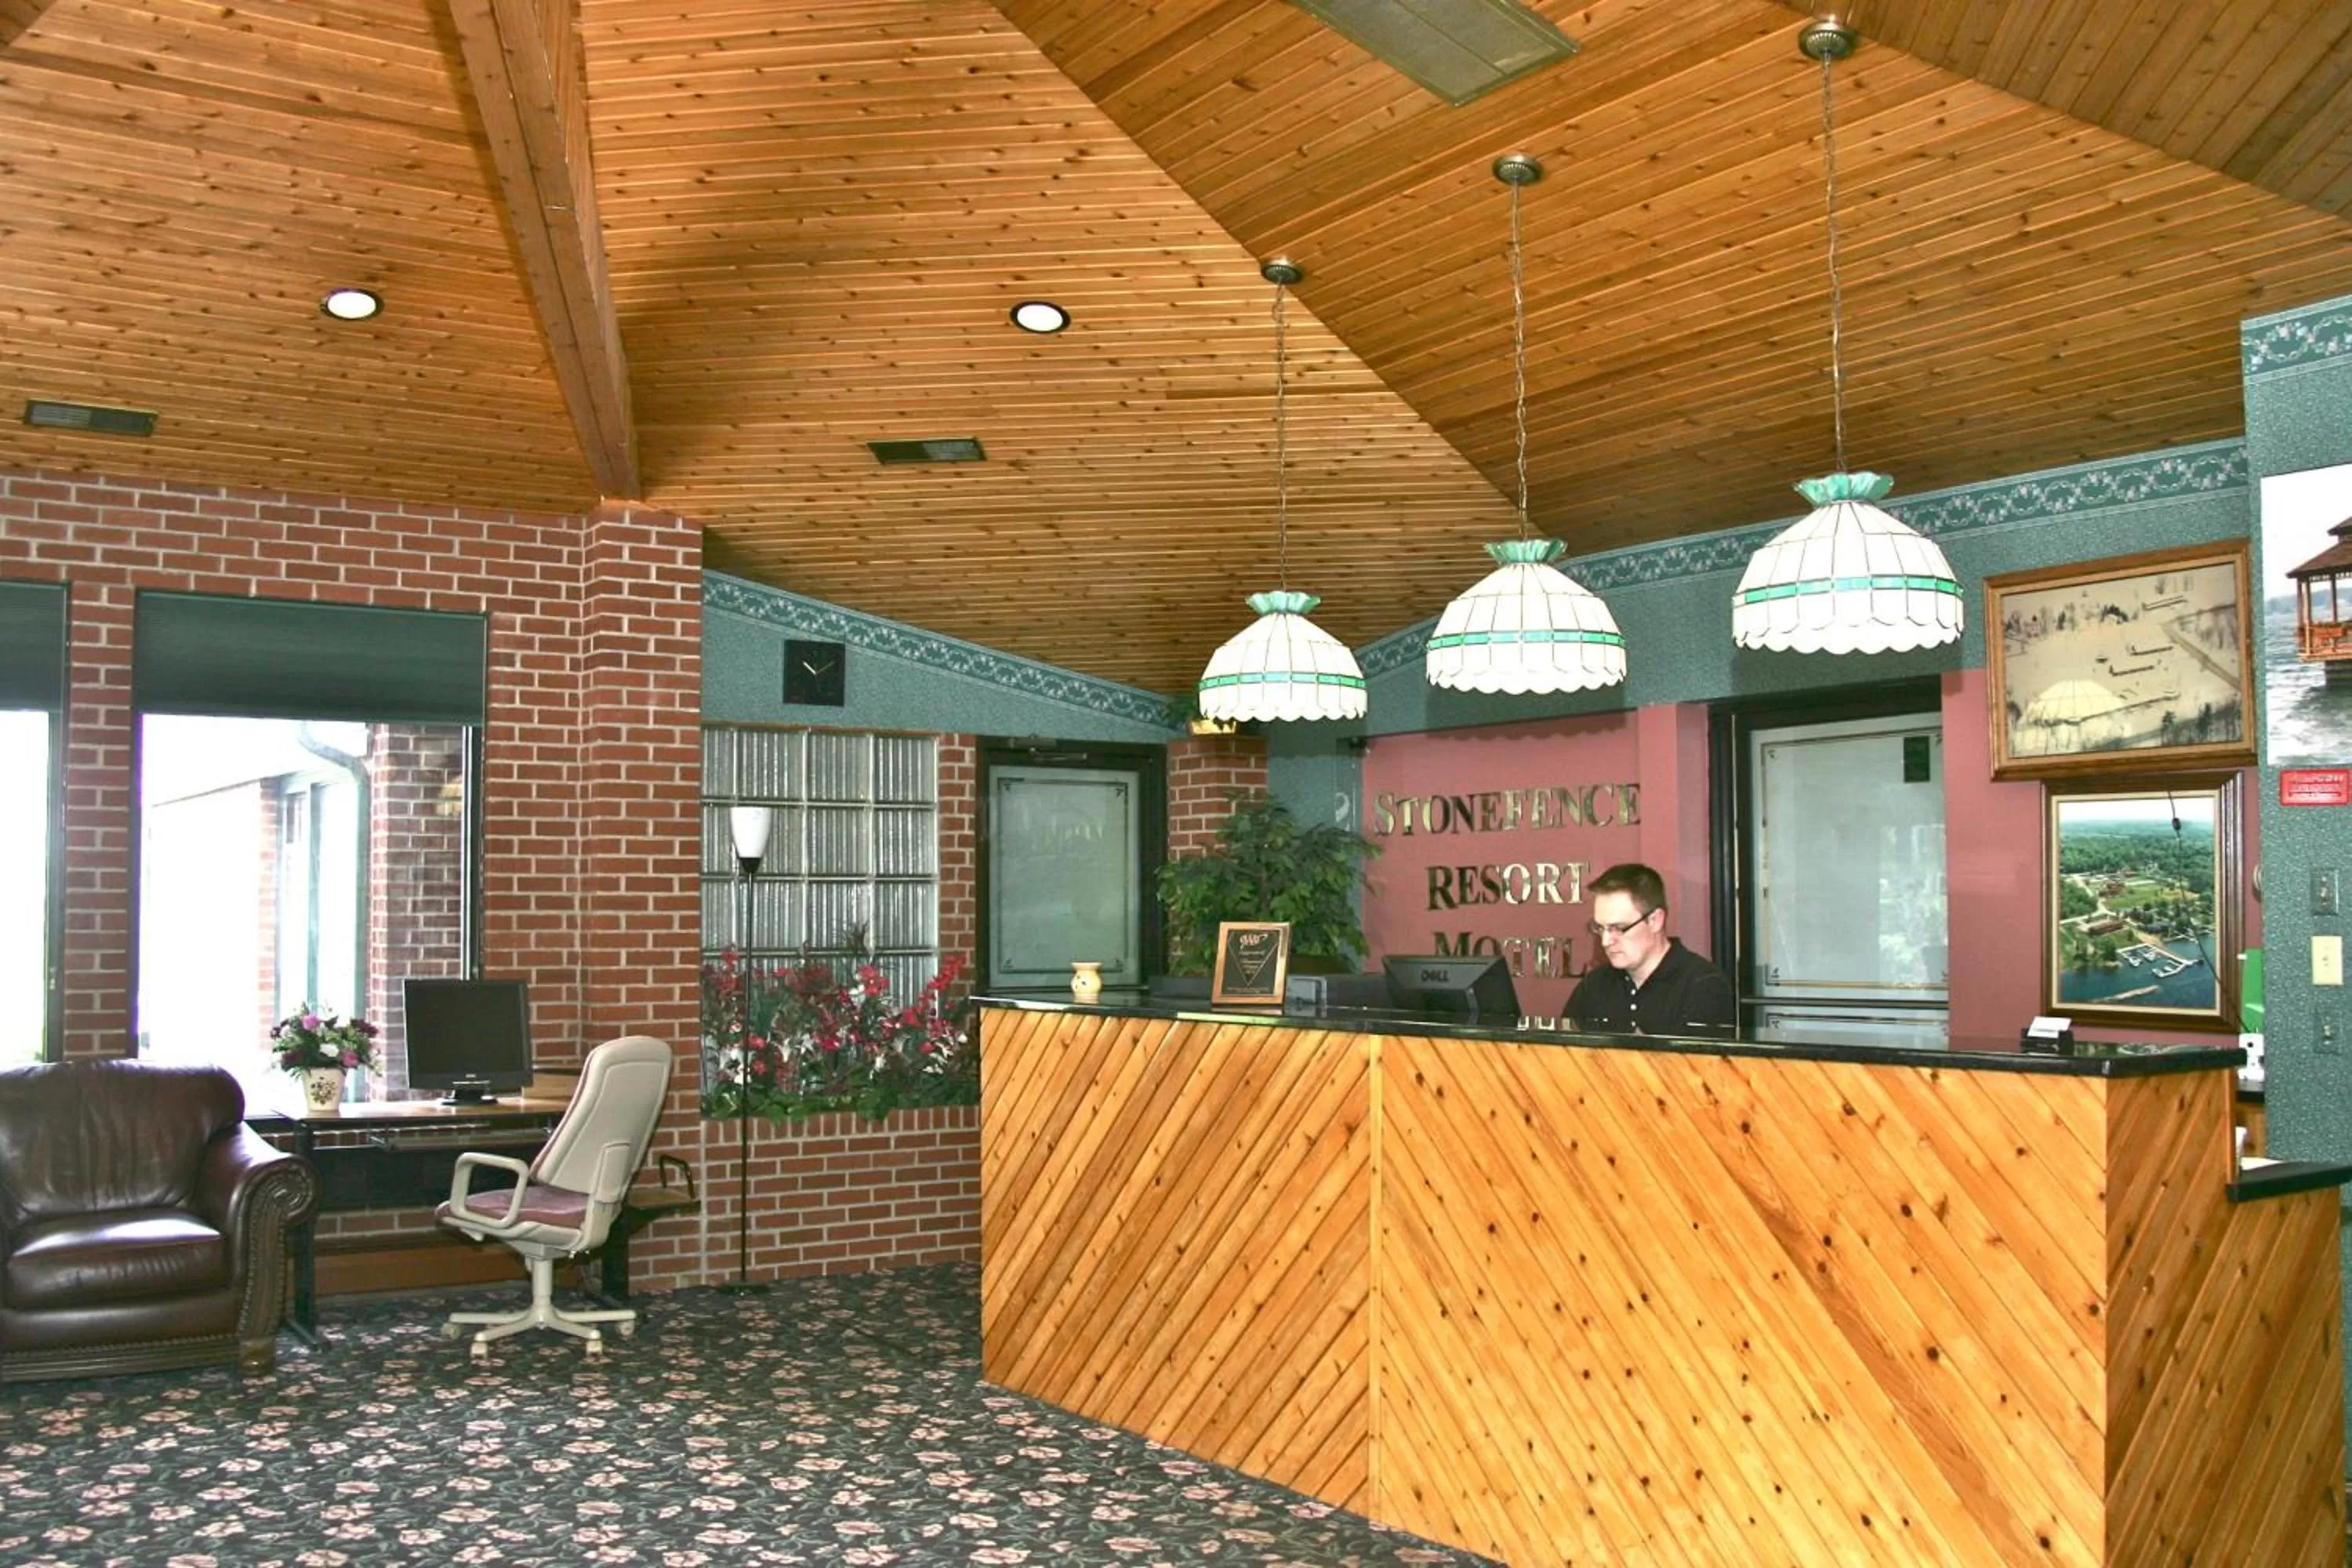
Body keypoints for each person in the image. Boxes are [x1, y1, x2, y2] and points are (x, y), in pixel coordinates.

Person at [1566, 862, 1736, 1036]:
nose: (1605, 941)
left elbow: (1696, 1062)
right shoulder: (1594, 986)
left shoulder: (1704, 986)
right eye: (1600, 928)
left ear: (1655, 921)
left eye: (1618, 928)